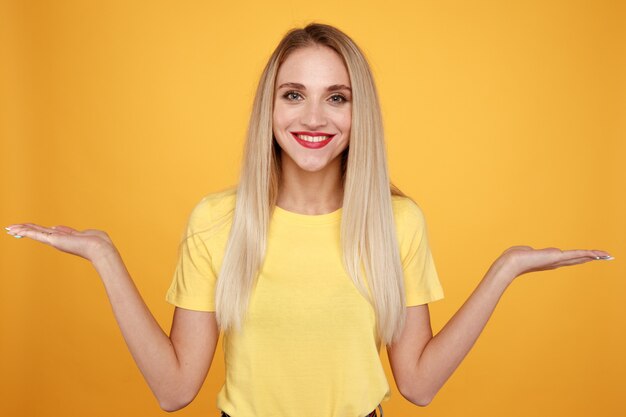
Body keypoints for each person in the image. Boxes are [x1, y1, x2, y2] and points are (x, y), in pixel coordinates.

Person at [5, 23, 612, 417]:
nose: (314, 116)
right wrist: (104, 256)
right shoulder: (218, 222)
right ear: (269, 108)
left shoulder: (396, 223)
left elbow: (418, 385)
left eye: (337, 97)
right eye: (293, 94)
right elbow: (174, 390)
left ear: (358, 111)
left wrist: (505, 268)